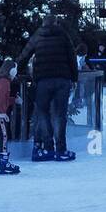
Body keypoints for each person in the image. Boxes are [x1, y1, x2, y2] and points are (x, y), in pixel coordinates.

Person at [17, 15, 79, 161]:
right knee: (59, 114)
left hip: (43, 80)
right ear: (56, 23)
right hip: (62, 79)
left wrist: (17, 70)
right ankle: (61, 150)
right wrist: (74, 78)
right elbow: (72, 57)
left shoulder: (38, 35)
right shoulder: (63, 35)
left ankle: (48, 147)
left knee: (43, 113)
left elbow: (25, 54)